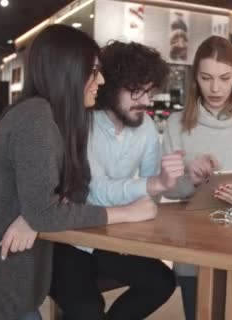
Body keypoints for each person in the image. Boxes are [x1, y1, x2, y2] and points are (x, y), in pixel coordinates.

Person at [0, 25, 157, 320]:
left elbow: (74, 189)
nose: (101, 79)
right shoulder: (36, 120)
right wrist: (125, 212)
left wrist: (33, 214)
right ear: (68, 71)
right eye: (94, 70)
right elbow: (46, 212)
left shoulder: (55, 120)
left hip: (5, 288)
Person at [50, 40, 180, 320]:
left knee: (163, 282)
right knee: (87, 308)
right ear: (111, 87)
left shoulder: (145, 128)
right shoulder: (84, 123)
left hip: (112, 236)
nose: (146, 101)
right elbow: (94, 192)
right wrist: (154, 185)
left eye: (149, 91)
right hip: (69, 237)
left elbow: (149, 199)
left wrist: (153, 188)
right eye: (137, 91)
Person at [162, 35, 232, 320]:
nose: (215, 88)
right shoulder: (176, 123)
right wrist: (193, 178)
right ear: (194, 78)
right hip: (192, 248)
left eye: (224, 78)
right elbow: (170, 191)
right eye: (206, 78)